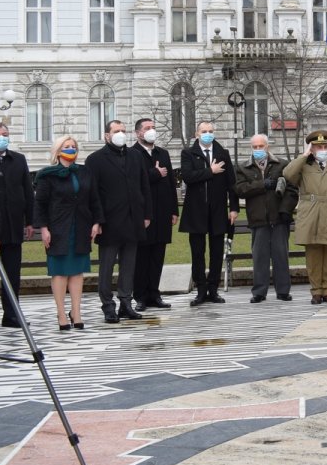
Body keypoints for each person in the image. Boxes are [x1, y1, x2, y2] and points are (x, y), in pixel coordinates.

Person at [85, 120, 151, 323]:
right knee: (106, 266)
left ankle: (126, 302)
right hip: (109, 221)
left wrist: (146, 214)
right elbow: (92, 193)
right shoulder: (95, 159)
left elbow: (144, 186)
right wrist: (97, 220)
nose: (120, 134)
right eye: (116, 131)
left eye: (123, 130)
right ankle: (107, 305)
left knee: (129, 265)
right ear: (107, 135)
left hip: (133, 219)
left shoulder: (135, 155)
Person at [33, 136, 100, 331]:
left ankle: (76, 312)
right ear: (58, 150)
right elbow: (40, 204)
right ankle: (61, 313)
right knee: (60, 272)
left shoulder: (84, 172)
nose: (71, 149)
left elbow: (94, 198)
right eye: (66, 146)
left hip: (81, 226)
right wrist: (43, 228)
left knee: (77, 272)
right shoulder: (47, 175)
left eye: (73, 147)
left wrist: (96, 222)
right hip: (58, 228)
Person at [284, 130, 327, 303]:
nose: (322, 148)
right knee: (313, 255)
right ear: (311, 147)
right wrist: (304, 155)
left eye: (325, 145)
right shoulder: (304, 165)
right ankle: (316, 291)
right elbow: (288, 174)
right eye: (317, 146)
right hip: (311, 213)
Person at [179, 121, 239, 307]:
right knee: (198, 252)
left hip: (218, 210)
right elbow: (188, 177)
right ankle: (200, 290)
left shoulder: (223, 153)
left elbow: (232, 183)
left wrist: (234, 208)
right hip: (196, 211)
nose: (208, 134)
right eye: (204, 131)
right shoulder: (188, 153)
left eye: (211, 131)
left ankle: (213, 289)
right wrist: (209, 171)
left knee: (216, 252)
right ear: (197, 134)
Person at [0, 122, 33, 331]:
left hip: (13, 225)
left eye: (5, 134)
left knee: (12, 273)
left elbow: (28, 192)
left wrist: (30, 220)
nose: (1, 137)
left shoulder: (18, 159)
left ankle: (12, 315)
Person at [235, 134, 298, 303]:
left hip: (279, 218)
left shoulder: (282, 164)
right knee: (259, 256)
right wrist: (262, 184)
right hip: (258, 219)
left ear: (267, 146)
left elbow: (292, 189)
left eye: (260, 146)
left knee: (281, 255)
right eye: (254, 147)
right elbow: (240, 189)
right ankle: (259, 292)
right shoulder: (243, 168)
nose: (258, 150)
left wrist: (286, 210)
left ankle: (283, 290)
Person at [132, 118, 178, 311]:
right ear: (138, 133)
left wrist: (174, 210)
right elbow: (136, 181)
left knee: (158, 256)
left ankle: (154, 293)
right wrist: (155, 173)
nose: (151, 131)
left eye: (153, 128)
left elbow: (171, 183)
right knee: (142, 256)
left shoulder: (162, 153)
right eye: (147, 128)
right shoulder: (133, 154)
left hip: (162, 211)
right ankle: (140, 295)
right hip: (143, 214)